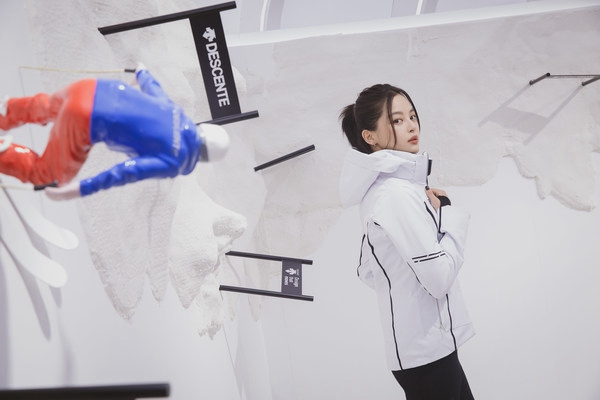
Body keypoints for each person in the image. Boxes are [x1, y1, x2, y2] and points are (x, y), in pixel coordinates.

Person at [339, 84, 475, 399]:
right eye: (397, 120)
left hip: (429, 346)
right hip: (427, 353)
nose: (412, 126)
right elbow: (439, 279)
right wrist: (448, 215)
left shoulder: (390, 189)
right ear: (370, 136)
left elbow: (368, 269)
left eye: (412, 116)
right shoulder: (394, 196)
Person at [0, 64, 229, 200]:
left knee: (49, 107)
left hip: (92, 87)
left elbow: (154, 88)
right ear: (204, 158)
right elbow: (127, 171)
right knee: (49, 176)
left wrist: (142, 73)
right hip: (87, 118)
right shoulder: (174, 160)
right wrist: (82, 189)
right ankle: (4, 154)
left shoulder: (176, 112)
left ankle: (6, 111)